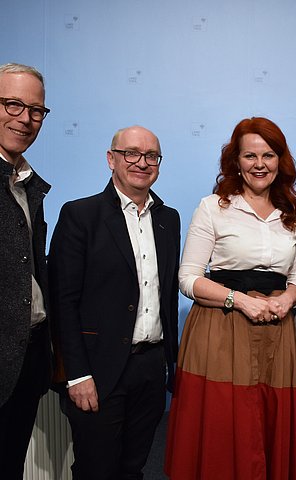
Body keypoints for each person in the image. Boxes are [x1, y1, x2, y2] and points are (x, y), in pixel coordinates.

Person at [164, 117, 296, 480]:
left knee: (267, 426)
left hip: (277, 334)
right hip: (221, 330)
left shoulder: (294, 214)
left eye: (269, 155)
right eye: (250, 155)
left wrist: (287, 300)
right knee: (224, 428)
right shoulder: (213, 207)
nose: (260, 164)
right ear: (236, 161)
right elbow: (188, 278)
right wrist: (241, 301)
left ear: (281, 161)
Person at [48, 126, 180, 480]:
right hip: (97, 370)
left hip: (151, 369)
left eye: (151, 156)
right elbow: (63, 301)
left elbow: (165, 297)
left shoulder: (169, 219)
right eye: (131, 153)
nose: (142, 162)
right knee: (96, 470)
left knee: (134, 469)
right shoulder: (81, 215)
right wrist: (77, 375)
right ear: (112, 159)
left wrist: (171, 365)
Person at [0, 62, 52, 479]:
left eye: (36, 110)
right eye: (12, 104)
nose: (25, 119)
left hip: (26, 356)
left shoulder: (27, 183)